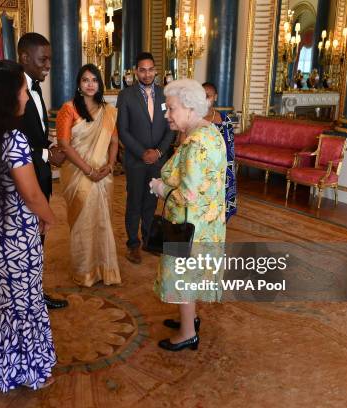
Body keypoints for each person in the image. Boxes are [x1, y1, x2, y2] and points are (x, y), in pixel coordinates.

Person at [0, 60, 57, 391]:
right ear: (8, 96)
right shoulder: (14, 139)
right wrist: (49, 217)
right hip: (18, 237)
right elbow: (32, 194)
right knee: (26, 301)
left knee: (7, 296)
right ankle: (26, 370)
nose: (27, 98)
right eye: (23, 90)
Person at [149, 79, 227, 352]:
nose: (167, 114)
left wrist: (161, 187)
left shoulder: (195, 144)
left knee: (184, 277)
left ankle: (187, 333)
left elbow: (188, 196)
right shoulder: (211, 132)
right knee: (192, 275)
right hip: (207, 224)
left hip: (189, 227)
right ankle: (189, 317)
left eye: (171, 109)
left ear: (190, 108)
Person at [56, 64, 121, 287]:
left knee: (102, 222)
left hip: (103, 175)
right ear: (78, 84)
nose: (90, 84)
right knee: (82, 222)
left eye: (94, 80)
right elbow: (64, 144)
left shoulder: (108, 111)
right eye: (85, 80)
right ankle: (84, 271)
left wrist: (110, 165)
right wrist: (88, 170)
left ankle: (104, 269)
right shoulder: (69, 108)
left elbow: (113, 141)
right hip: (78, 174)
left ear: (100, 84)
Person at [17, 32, 68, 309]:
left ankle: (35, 292)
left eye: (50, 59)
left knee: (38, 241)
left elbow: (34, 134)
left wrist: (49, 145)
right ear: (25, 58)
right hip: (24, 180)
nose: (48, 65)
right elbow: (14, 144)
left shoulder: (35, 88)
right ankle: (27, 297)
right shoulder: (14, 92)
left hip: (41, 175)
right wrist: (49, 154)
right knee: (26, 241)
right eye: (43, 59)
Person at [117, 52, 175, 264]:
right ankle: (133, 245)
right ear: (136, 71)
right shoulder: (126, 96)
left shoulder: (165, 94)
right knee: (134, 202)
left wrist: (158, 152)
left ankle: (149, 240)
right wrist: (142, 153)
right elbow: (123, 130)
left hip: (158, 159)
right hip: (135, 160)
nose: (147, 73)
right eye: (143, 69)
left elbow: (171, 127)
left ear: (156, 71)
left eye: (151, 69)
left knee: (151, 202)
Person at [203, 82, 237, 221]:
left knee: (220, 212)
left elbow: (230, 148)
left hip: (222, 170)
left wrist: (228, 172)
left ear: (215, 97)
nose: (204, 99)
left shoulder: (224, 119)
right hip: (202, 170)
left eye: (207, 96)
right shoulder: (193, 118)